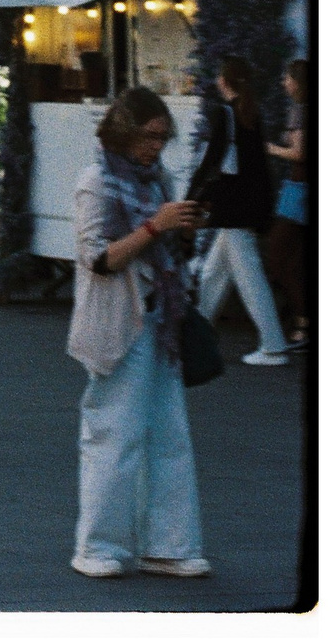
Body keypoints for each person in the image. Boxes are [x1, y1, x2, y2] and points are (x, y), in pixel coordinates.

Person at [69, 86, 211, 579]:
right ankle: (98, 546)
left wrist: (183, 228)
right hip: (117, 322)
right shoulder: (97, 181)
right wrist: (156, 226)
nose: (156, 147)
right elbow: (98, 259)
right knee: (114, 432)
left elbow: (167, 250)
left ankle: (170, 544)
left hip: (161, 319)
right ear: (125, 131)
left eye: (163, 137)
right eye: (150, 136)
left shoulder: (159, 179)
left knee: (169, 434)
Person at [186, 56, 291, 364]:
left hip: (232, 210)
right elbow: (259, 167)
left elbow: (212, 161)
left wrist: (192, 196)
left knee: (250, 279)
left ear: (225, 80)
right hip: (245, 209)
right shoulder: (251, 114)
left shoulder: (226, 114)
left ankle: (273, 345)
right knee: (212, 275)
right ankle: (195, 338)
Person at [262, 60, 310, 350]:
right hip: (299, 188)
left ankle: (302, 322)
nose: (283, 82)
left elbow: (299, 153)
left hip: (298, 188)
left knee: (277, 254)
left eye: (287, 78)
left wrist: (267, 147)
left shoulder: (300, 109)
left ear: (298, 82)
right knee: (296, 259)